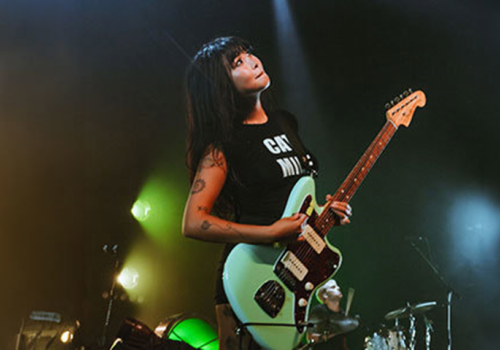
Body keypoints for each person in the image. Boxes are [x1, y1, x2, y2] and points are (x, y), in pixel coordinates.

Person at [181, 36, 352, 350]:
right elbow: (193, 221)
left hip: (292, 277)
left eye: (249, 54)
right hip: (250, 277)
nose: (253, 61)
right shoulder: (224, 144)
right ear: (221, 86)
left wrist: (327, 216)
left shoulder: (285, 122)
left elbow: (294, 200)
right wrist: (270, 232)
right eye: (238, 63)